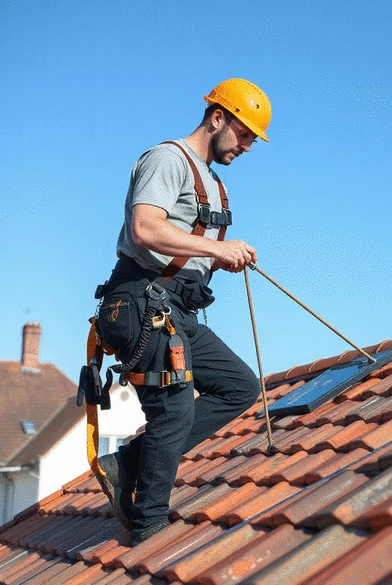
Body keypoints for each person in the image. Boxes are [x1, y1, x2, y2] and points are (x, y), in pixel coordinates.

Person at [93, 78, 270, 545]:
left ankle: (128, 464)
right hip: (139, 301)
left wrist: (216, 258)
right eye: (246, 134)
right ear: (218, 118)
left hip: (176, 310)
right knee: (173, 409)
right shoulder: (168, 159)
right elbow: (146, 228)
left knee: (239, 387)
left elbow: (184, 247)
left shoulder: (213, 181)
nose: (248, 146)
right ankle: (149, 526)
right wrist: (218, 248)